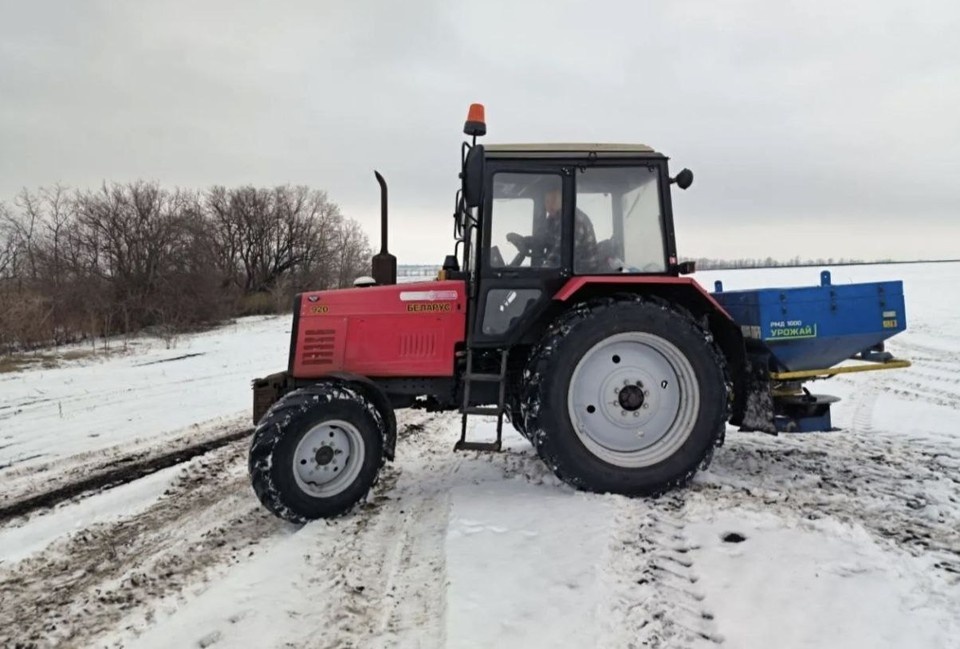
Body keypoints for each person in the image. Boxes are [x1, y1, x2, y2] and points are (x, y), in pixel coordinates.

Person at [508, 187, 600, 271]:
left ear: (564, 200)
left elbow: (561, 254)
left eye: (554, 200)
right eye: (547, 201)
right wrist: (526, 242)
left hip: (580, 273)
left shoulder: (574, 220)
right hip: (566, 271)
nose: (550, 205)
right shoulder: (554, 219)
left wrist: (540, 273)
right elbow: (545, 239)